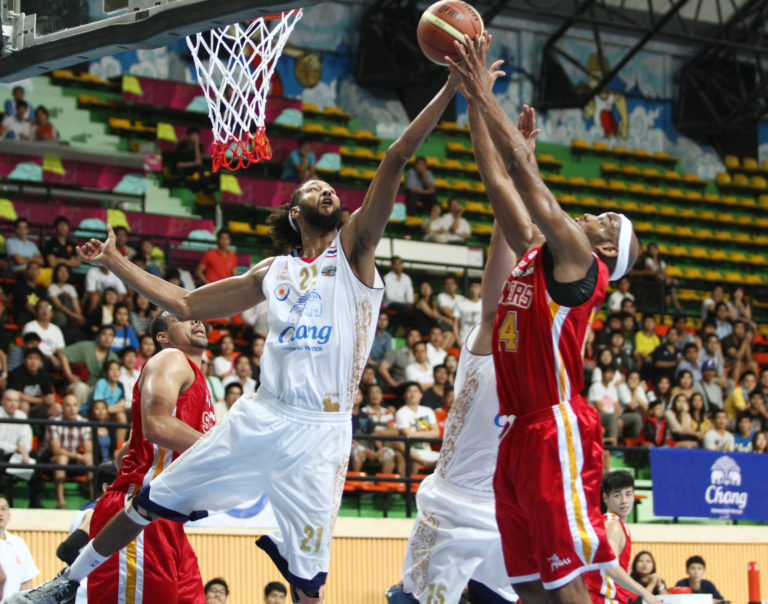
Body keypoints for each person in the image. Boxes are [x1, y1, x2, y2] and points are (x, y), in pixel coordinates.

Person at [14, 70, 461, 604]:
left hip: (323, 432)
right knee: (150, 498)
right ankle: (67, 582)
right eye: (313, 188)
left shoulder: (356, 253)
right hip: (263, 415)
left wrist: (450, 87)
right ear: (295, 212)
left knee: (307, 582)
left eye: (329, 188)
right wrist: (114, 261)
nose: (326, 190)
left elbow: (396, 157)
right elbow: (184, 303)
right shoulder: (273, 271)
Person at [448, 34, 640, 603]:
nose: (595, 214)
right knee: (529, 585)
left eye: (607, 220)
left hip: (557, 428)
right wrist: (473, 104)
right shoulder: (537, 252)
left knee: (564, 584)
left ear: (607, 250)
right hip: (517, 433)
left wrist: (483, 93)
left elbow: (525, 175)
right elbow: (499, 182)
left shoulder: (581, 262)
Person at [389, 168, 521, 603]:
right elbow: (498, 279)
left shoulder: (546, 370)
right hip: (453, 501)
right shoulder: (490, 341)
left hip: (506, 508)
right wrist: (511, 183)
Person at [583, 471, 663, 604]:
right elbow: (610, 567)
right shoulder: (612, 525)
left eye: (628, 494)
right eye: (617, 495)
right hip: (603, 599)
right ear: (605, 498)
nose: (624, 500)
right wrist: (646, 594)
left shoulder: (617, 524)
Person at [56, 462, 118, 604]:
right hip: (85, 594)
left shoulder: (87, 509)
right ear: (106, 487)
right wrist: (93, 574)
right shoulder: (95, 513)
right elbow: (66, 550)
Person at [46, 395, 94, 509]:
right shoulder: (54, 421)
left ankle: (93, 499)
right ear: (62, 407)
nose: (72, 409)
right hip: (51, 459)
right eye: (68, 405)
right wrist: (77, 456)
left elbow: (88, 447)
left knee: (89, 457)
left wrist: (85, 455)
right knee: (62, 458)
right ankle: (61, 502)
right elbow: (56, 450)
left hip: (74, 459)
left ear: (78, 407)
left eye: (75, 405)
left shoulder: (84, 422)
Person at [0, 390, 39, 508]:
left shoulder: (21, 415)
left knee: (35, 456)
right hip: (3, 453)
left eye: (16, 401)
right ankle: (3, 500)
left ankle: (34, 500)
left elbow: (26, 439)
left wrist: (24, 451)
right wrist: (15, 448)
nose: (13, 404)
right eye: (9, 400)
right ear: (3, 402)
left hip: (16, 454)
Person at [395, 382, 440, 474]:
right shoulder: (401, 412)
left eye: (415, 391)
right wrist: (428, 434)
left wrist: (414, 433)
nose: (412, 394)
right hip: (411, 451)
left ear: (420, 395)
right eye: (409, 391)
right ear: (405, 395)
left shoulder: (427, 410)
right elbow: (408, 434)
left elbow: (436, 433)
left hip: (427, 450)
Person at [0, 494, 39, 598]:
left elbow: (26, 583)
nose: (0, 513)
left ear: (9, 515)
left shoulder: (18, 543)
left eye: (3, 509)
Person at [8, 348, 55, 419]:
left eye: (36, 359)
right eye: (30, 358)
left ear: (40, 362)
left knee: (57, 407)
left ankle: (49, 426)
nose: (33, 362)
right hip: (21, 405)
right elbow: (17, 394)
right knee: (24, 405)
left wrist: (50, 399)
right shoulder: (17, 373)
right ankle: (24, 426)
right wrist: (41, 400)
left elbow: (49, 395)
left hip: (39, 406)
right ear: (24, 360)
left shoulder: (44, 374)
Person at [22, 299, 65, 370]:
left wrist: (58, 359)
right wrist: (50, 357)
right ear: (36, 311)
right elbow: (30, 347)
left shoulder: (56, 329)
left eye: (47, 307)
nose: (45, 311)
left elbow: (60, 349)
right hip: (35, 357)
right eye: (41, 308)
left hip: (53, 358)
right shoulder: (30, 326)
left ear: (52, 312)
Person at [382, 257, 414, 327]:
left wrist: (410, 302)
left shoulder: (407, 278)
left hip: (404, 304)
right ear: (392, 266)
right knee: (403, 309)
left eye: (400, 264)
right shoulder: (387, 277)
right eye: (395, 264)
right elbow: (390, 296)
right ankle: (402, 328)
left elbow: (410, 294)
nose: (398, 266)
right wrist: (405, 303)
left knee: (416, 310)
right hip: (390, 304)